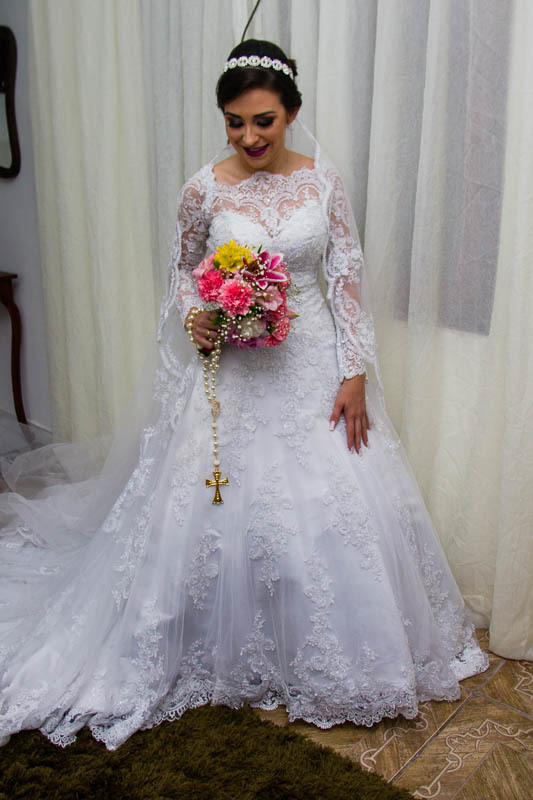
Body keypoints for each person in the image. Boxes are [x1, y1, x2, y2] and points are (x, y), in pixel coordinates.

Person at [0, 39, 488, 751]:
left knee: (330, 504)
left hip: (312, 364)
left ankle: (331, 654)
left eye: (264, 121)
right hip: (230, 369)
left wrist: (354, 372)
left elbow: (343, 279)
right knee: (213, 503)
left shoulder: (322, 183)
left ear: (291, 112)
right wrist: (195, 314)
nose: (249, 137)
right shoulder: (203, 189)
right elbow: (181, 272)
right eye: (235, 122)